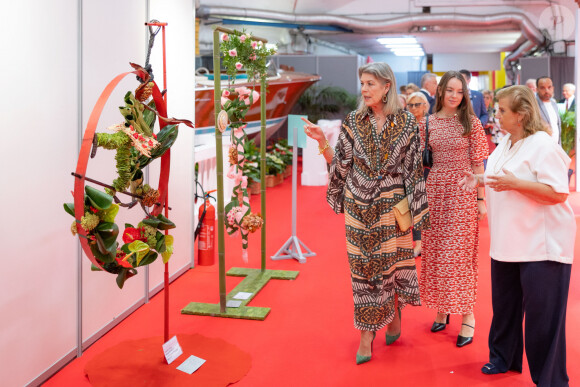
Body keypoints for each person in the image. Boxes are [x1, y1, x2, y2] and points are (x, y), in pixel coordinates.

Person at [303, 62, 430, 364]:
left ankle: (395, 310)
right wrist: (322, 141)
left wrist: (419, 223)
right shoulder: (352, 122)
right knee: (363, 273)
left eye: (371, 83)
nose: (364, 89)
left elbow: (413, 174)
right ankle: (366, 333)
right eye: (362, 83)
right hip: (359, 208)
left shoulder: (408, 124)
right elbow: (341, 166)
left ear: (387, 86)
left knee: (393, 267)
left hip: (392, 208)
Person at [459, 85, 575, 386]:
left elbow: (557, 193)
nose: (495, 115)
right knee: (505, 307)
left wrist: (516, 185)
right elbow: (504, 176)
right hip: (507, 242)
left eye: (501, 110)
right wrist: (480, 178)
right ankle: (503, 358)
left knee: (543, 318)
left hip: (541, 245)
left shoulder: (543, 145)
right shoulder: (509, 141)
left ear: (521, 115)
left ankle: (549, 379)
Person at [418, 70, 488, 347]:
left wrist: (481, 200)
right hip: (435, 191)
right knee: (435, 253)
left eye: (460, 92)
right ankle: (442, 307)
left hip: (463, 192)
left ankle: (468, 315)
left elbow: (478, 165)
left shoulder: (471, 123)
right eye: (450, 90)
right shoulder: (428, 123)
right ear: (440, 91)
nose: (455, 96)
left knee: (458, 257)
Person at [406, 91, 430, 257]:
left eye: (417, 104)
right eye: (411, 105)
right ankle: (418, 243)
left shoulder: (431, 123)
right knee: (414, 208)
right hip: (409, 171)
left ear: (425, 106)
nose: (414, 108)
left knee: (425, 207)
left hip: (428, 171)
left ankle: (425, 243)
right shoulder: (405, 124)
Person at [536, 76, 561, 144]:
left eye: (549, 87)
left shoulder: (554, 104)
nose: (546, 91)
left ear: (553, 88)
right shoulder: (533, 104)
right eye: (542, 88)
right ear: (537, 89)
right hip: (541, 147)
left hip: (555, 146)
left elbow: (557, 126)